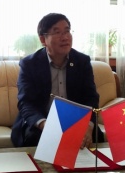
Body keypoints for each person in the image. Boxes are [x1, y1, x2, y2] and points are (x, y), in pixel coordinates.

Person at [11, 13, 104, 148]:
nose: (65, 37)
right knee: (35, 138)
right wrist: (45, 125)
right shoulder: (29, 64)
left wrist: (87, 126)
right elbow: (26, 103)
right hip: (43, 122)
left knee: (96, 137)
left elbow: (91, 98)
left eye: (67, 31)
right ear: (43, 39)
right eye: (57, 32)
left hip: (75, 121)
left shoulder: (82, 62)